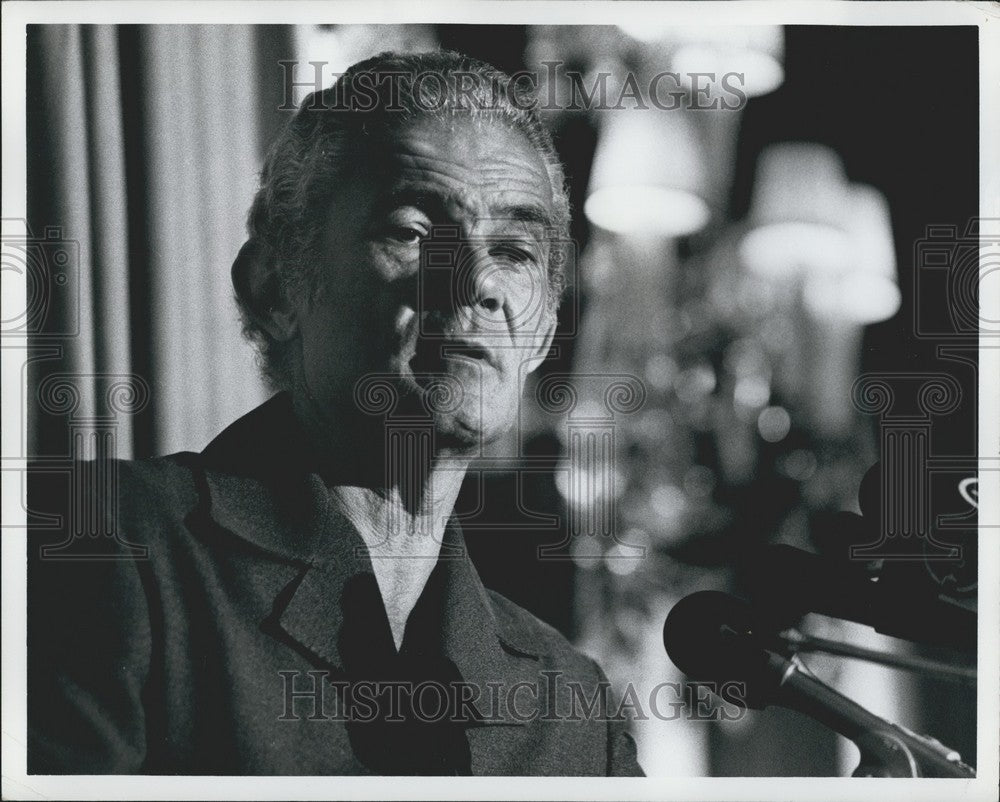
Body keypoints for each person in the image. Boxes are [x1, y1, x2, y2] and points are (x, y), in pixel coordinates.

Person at [27, 50, 643, 776]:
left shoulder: (571, 710)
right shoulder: (109, 547)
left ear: (539, 335)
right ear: (275, 287)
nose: (475, 283)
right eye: (413, 232)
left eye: (513, 249)